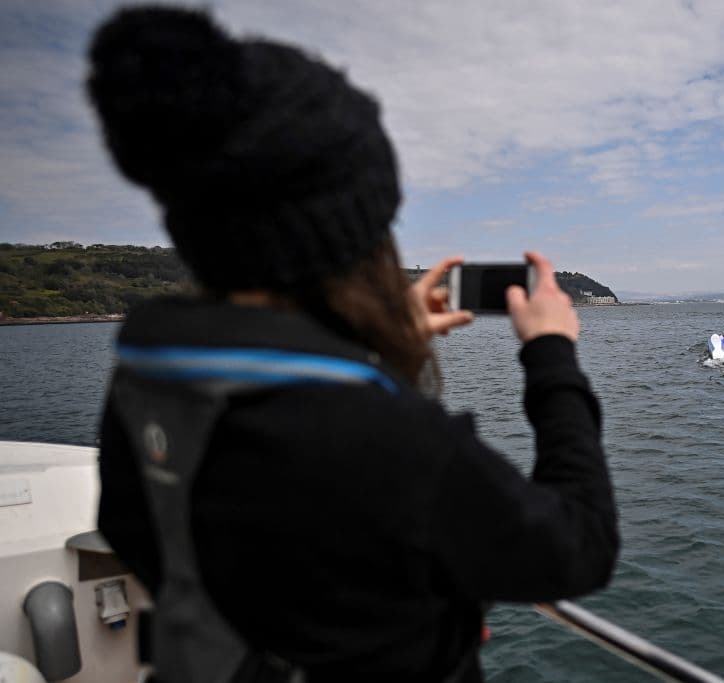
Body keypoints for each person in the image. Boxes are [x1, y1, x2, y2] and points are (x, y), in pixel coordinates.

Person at [89, 6, 618, 683]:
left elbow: (149, 528)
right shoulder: (397, 444)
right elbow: (578, 547)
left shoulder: (143, 388)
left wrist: (370, 346)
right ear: (348, 234)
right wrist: (551, 352)